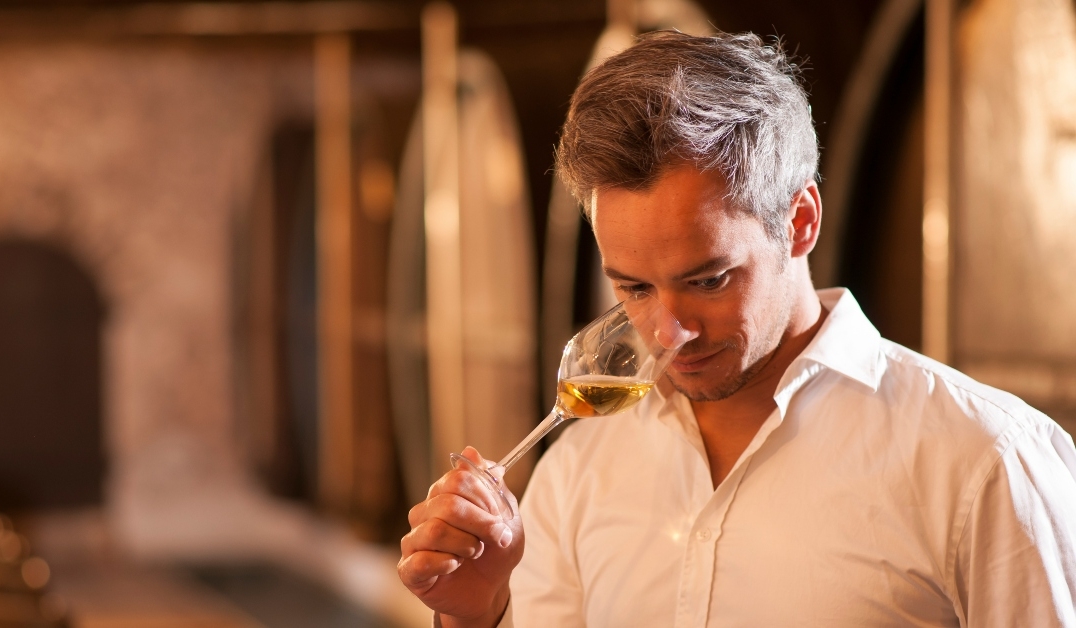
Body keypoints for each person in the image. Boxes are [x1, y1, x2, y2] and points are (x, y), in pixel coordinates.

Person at [397, 30, 1076, 627]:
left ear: (801, 221)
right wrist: (478, 615)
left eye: (709, 280)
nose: (667, 333)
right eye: (632, 286)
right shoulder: (581, 469)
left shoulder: (987, 462)